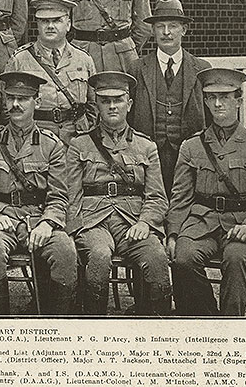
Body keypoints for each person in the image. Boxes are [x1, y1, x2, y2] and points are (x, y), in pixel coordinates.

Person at [168, 68, 246, 316]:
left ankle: (231, 323)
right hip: (202, 224)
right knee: (183, 258)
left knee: (235, 257)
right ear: (206, 101)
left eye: (225, 97)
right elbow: (180, 197)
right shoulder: (191, 147)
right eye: (211, 98)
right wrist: (173, 233)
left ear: (239, 101)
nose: (218, 103)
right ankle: (207, 317)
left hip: (243, 227)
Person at [65, 71, 171, 315]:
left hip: (132, 221)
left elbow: (156, 196)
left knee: (156, 256)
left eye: (118, 100)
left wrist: (146, 223)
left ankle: (156, 326)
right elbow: (71, 194)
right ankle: (95, 325)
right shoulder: (79, 145)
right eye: (105, 101)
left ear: (129, 104)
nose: (112, 106)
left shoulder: (146, 146)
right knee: (100, 256)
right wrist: (74, 229)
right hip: (93, 222)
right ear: (97, 105)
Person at [0, 71, 78, 315]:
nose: (15, 105)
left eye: (23, 98)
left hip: (39, 218)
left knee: (64, 251)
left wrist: (47, 223)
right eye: (10, 98)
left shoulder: (51, 145)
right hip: (3, 219)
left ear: (37, 102)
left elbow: (59, 195)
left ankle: (58, 325)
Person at [127, 0, 211, 195]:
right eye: (160, 26)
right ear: (153, 30)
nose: (166, 32)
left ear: (184, 30)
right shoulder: (137, 68)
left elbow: (209, 120)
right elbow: (128, 117)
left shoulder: (201, 69)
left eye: (173, 26)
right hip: (148, 158)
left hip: (189, 157)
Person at [5, 0, 97, 145]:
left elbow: (93, 104)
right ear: (38, 24)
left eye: (56, 20)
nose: (50, 26)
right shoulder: (20, 59)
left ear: (68, 25)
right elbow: (7, 105)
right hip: (36, 140)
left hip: (75, 139)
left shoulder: (84, 59)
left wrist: (84, 133)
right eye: (44, 21)